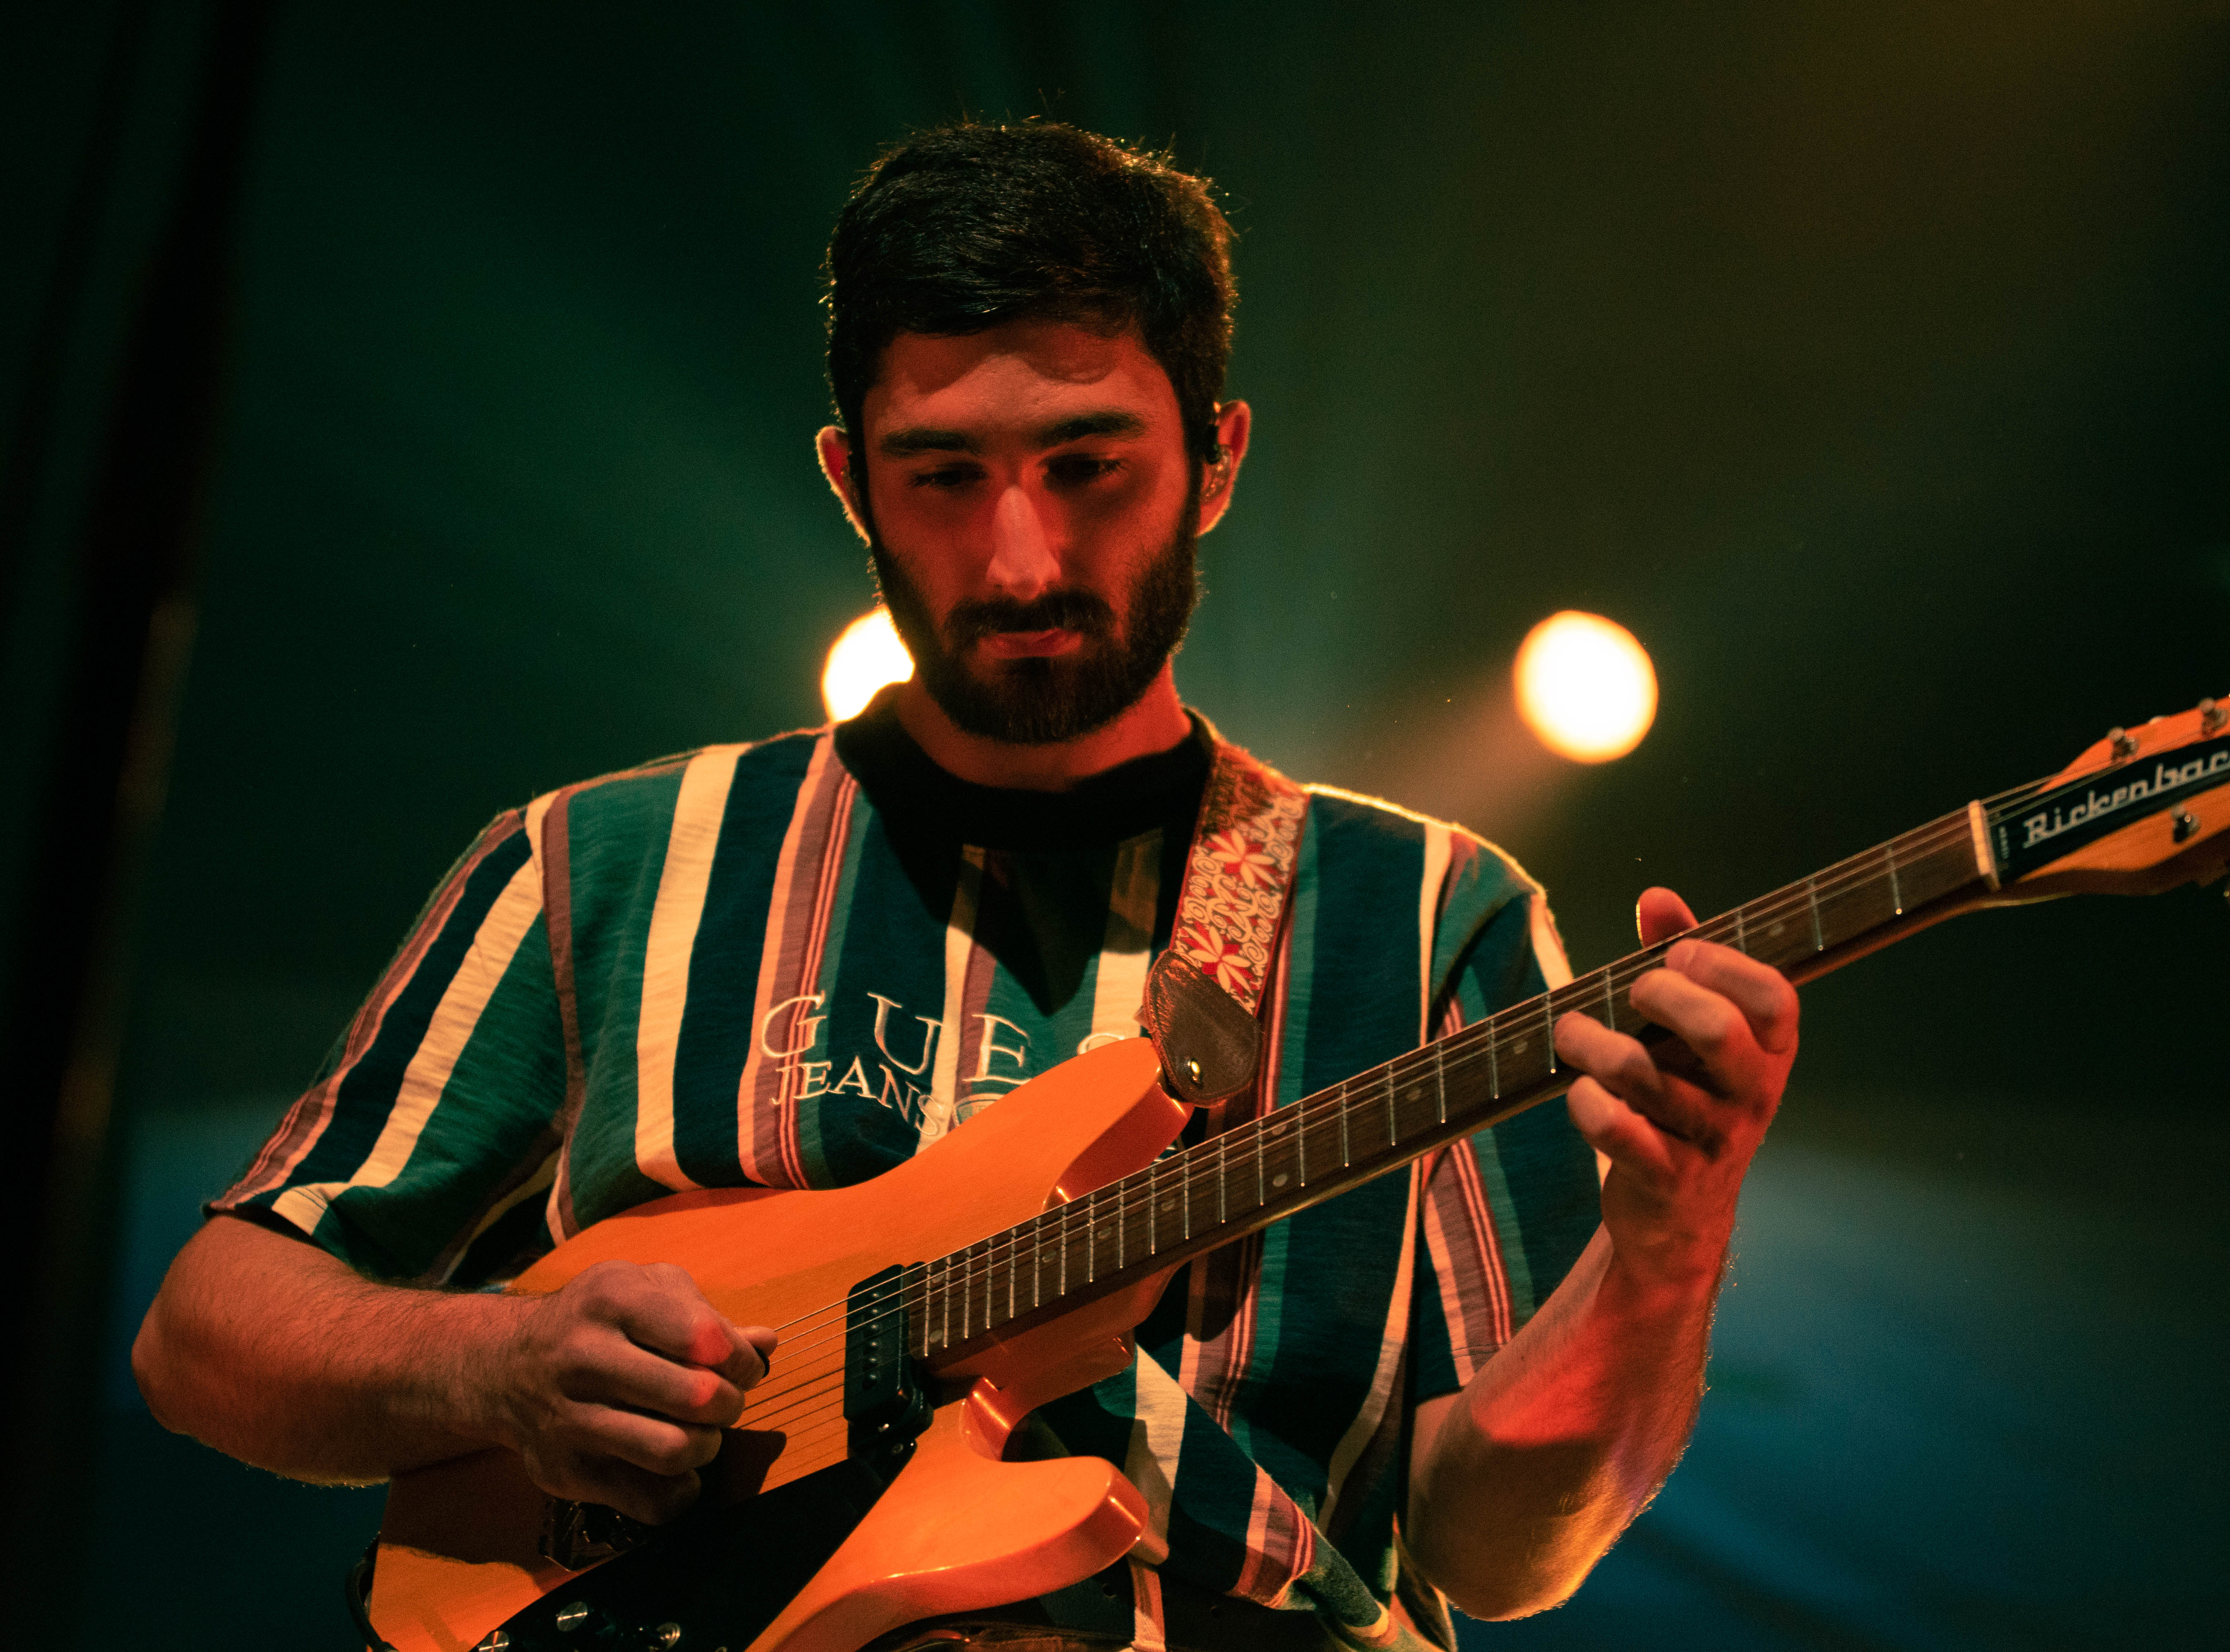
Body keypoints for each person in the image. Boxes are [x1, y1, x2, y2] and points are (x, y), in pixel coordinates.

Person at [133, 121, 1799, 1652]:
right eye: (942, 476)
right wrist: (494, 1366)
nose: (1020, 560)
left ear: (1216, 459)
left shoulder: (1428, 917)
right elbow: (206, 1327)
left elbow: (1500, 1554)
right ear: (849, 478)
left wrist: (1670, 1246)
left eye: (1089, 467)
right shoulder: (605, 862)